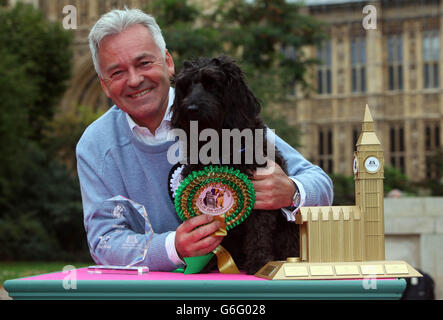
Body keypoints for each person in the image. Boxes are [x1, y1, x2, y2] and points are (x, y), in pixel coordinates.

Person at [77, 8, 333, 271]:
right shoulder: (95, 145)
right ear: (104, 84)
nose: (134, 79)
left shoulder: (225, 113)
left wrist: (291, 191)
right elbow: (104, 242)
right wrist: (172, 247)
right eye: (117, 72)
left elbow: (322, 185)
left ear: (167, 62)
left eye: (144, 63)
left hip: (247, 277)